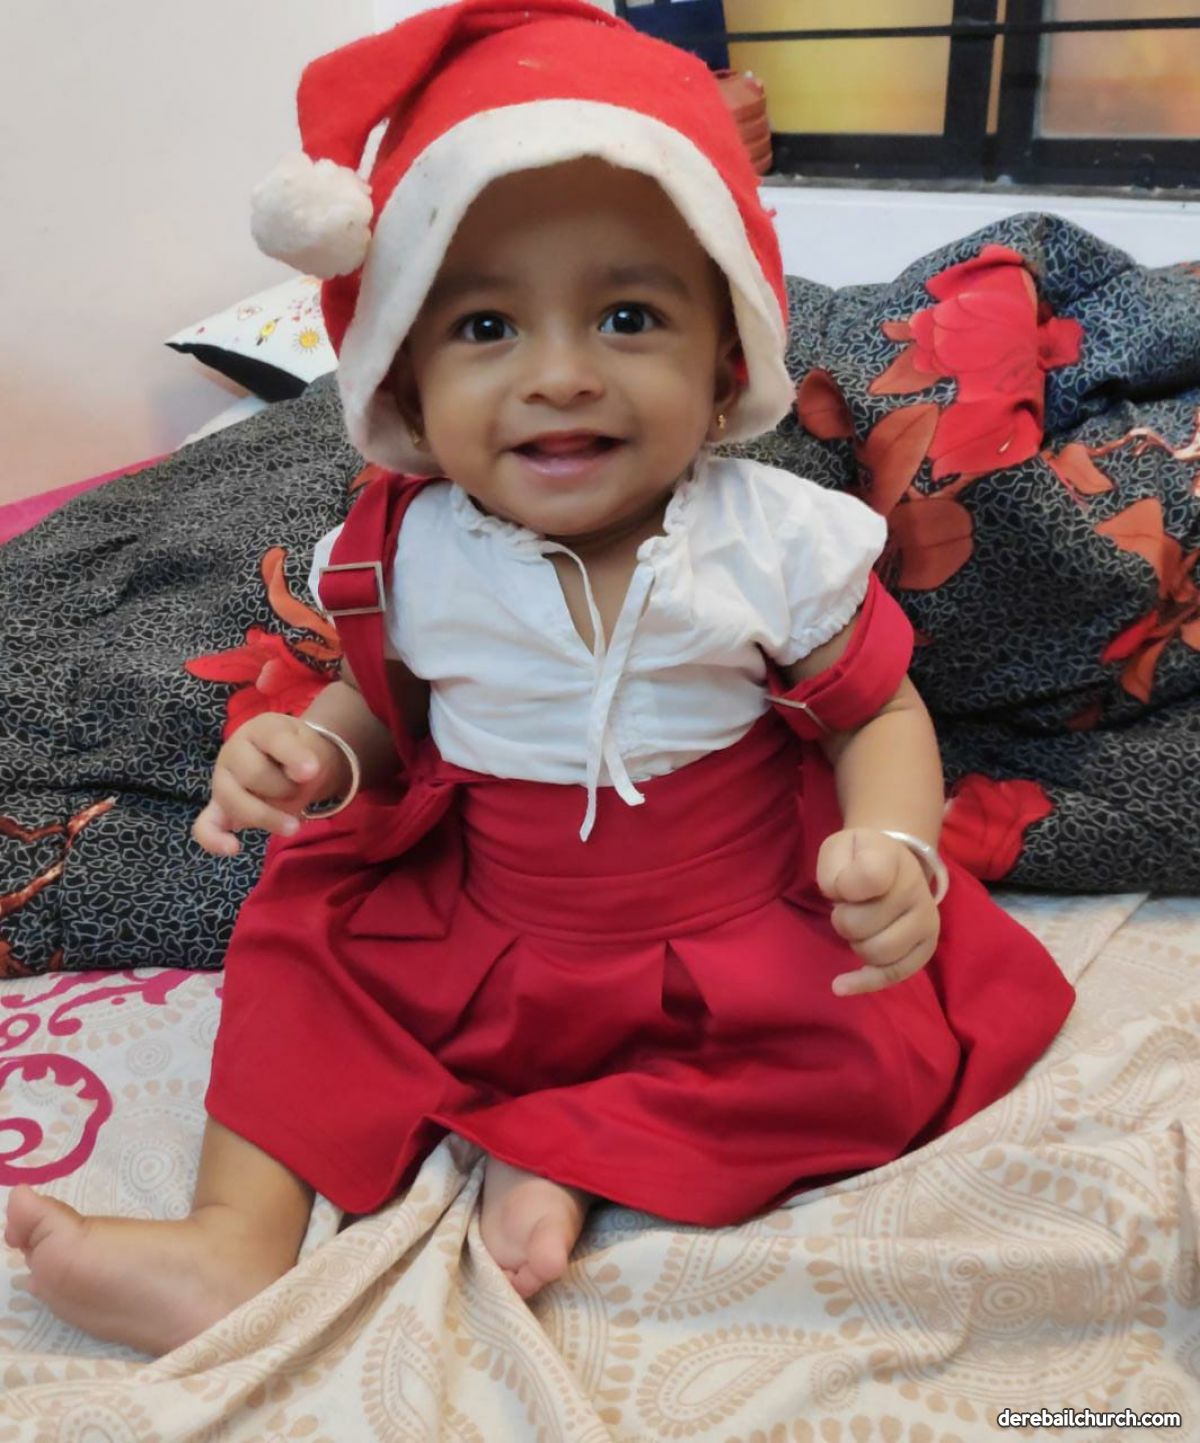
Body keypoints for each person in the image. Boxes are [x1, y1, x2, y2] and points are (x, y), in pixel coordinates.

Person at [4, 0, 1074, 1356]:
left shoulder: (775, 541)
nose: (560, 376)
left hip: (731, 912)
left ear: (724, 362)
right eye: (486, 327)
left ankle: (564, 1141)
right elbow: (383, 707)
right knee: (299, 944)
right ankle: (231, 1241)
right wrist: (316, 754)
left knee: (873, 1058)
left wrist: (894, 846)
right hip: (485, 911)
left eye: (628, 316)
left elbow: (878, 711)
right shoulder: (405, 552)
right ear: (403, 382)